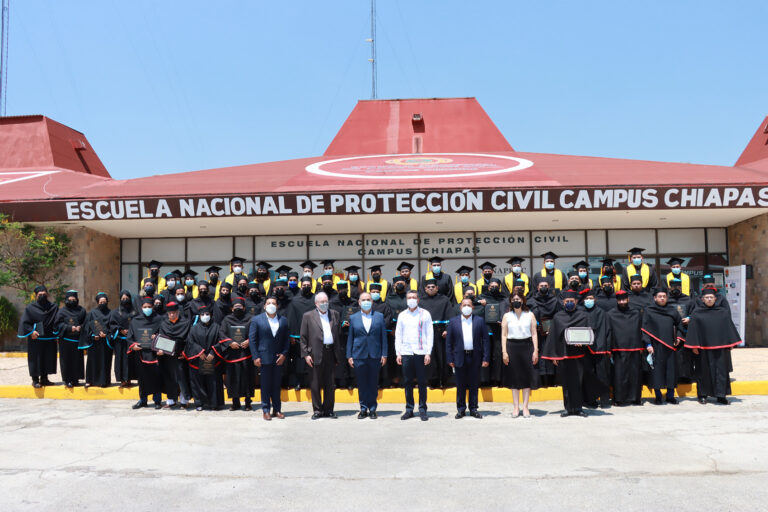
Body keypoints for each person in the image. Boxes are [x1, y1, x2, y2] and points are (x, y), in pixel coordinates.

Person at [542, 290, 606, 417]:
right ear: (563, 302)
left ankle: (578, 408)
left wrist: (583, 342)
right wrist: (554, 356)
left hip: (579, 354)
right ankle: (568, 408)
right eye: (567, 302)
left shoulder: (583, 315)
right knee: (565, 383)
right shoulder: (558, 317)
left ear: (576, 302)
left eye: (572, 301)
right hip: (564, 355)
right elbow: (554, 337)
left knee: (578, 382)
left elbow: (589, 332)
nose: (570, 303)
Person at [684, 287, 741, 405]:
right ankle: (703, 395)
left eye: (711, 297)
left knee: (721, 372)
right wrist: (694, 346)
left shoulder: (722, 312)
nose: (709, 299)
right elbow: (693, 330)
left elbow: (728, 328)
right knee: (703, 372)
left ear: (715, 299)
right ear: (702, 299)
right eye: (707, 298)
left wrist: (730, 343)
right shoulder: (696, 313)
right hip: (703, 349)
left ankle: (721, 396)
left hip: (720, 348)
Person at [300, 292, 343, 419]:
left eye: (326, 301)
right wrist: (306, 355)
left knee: (330, 383)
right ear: (316, 303)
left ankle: (329, 409)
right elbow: (303, 337)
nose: (324, 304)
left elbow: (338, 334)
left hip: (331, 352)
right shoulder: (308, 316)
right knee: (315, 383)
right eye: (321, 302)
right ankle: (318, 410)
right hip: (315, 353)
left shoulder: (335, 314)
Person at [446, 298, 490, 419]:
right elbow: (449, 342)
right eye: (464, 305)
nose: (466, 307)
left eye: (469, 305)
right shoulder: (453, 321)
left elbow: (485, 340)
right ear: (460, 307)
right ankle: (460, 409)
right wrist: (449, 359)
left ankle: (473, 409)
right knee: (460, 385)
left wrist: (486, 358)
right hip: (459, 357)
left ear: (473, 307)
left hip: (475, 356)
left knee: (474, 384)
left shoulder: (479, 321)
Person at [346, 292, 388, 419]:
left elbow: (383, 337)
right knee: (362, 384)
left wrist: (384, 354)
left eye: (368, 299)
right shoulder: (353, 318)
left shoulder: (379, 316)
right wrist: (349, 356)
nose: (366, 302)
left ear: (372, 302)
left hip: (375, 355)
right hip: (359, 355)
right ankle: (363, 408)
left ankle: (373, 409)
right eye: (363, 300)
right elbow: (350, 338)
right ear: (359, 302)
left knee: (373, 383)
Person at [249, 297, 290, 420]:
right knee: (266, 385)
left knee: (276, 385)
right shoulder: (256, 320)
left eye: (273, 303)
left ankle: (277, 410)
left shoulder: (283, 320)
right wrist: (255, 356)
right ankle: (266, 410)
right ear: (264, 306)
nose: (271, 305)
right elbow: (252, 340)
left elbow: (286, 339)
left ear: (277, 306)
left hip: (278, 358)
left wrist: (284, 354)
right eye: (268, 303)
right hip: (263, 357)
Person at [395, 290, 433, 421]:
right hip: (406, 353)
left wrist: (428, 352)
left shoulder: (425, 314)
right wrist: (398, 352)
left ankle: (422, 409)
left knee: (422, 382)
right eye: (409, 297)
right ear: (406, 300)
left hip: (421, 353)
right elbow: (398, 334)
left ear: (418, 300)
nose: (411, 299)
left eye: (414, 297)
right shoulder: (402, 315)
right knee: (407, 382)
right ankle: (409, 409)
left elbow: (430, 334)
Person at [501, 292, 539, 418]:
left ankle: (525, 407)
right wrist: (504, 352)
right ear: (510, 301)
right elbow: (504, 335)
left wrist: (535, 350)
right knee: (514, 378)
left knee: (526, 377)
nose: (516, 300)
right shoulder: (507, 316)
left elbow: (534, 333)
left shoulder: (530, 315)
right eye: (514, 299)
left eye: (518, 298)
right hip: (512, 347)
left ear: (523, 300)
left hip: (527, 347)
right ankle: (516, 407)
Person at [642, 288, 683, 405]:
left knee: (671, 372)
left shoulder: (672, 311)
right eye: (660, 296)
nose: (662, 298)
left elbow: (679, 325)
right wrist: (648, 344)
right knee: (656, 372)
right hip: (655, 346)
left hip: (670, 346)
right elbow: (644, 329)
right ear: (655, 298)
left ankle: (670, 396)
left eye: (664, 296)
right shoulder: (649, 311)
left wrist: (679, 338)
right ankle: (658, 396)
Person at [215, 297, 254, 411]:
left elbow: (255, 333)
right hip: (232, 355)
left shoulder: (250, 319)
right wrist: (230, 343)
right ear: (232, 309)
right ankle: (235, 402)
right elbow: (222, 333)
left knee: (247, 379)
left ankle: (248, 402)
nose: (238, 308)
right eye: (235, 307)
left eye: (240, 306)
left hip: (246, 353)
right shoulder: (227, 320)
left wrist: (249, 341)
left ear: (244, 308)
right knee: (233, 379)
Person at [606, 291, 645, 406]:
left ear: (628, 299)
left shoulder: (636, 313)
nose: (622, 302)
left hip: (635, 348)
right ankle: (619, 399)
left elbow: (641, 329)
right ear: (617, 300)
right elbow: (608, 332)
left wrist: (642, 345)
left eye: (624, 300)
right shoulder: (610, 314)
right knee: (619, 375)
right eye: (620, 300)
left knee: (635, 375)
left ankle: (635, 398)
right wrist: (609, 349)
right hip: (618, 349)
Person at [18, 285, 59, 388]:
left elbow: (58, 321)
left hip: (49, 338)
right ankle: (35, 380)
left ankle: (44, 379)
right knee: (36, 360)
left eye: (44, 294)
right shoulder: (30, 308)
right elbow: (25, 323)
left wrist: (58, 334)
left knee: (47, 359)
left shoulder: (53, 307)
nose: (42, 296)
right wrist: (31, 332)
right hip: (36, 339)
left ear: (47, 294)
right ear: (36, 296)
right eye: (40, 294)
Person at [128, 297, 164, 409]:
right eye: (145, 307)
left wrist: (158, 340)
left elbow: (165, 334)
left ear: (152, 307)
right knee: (142, 379)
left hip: (155, 354)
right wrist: (133, 345)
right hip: (141, 354)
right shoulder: (135, 321)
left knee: (156, 377)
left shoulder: (159, 319)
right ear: (141, 308)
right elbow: (130, 337)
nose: (147, 309)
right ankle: (143, 400)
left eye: (149, 307)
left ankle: (157, 400)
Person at [183, 305, 221, 411]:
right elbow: (190, 342)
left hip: (212, 359)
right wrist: (199, 351)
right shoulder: (194, 328)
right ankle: (199, 403)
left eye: (207, 314)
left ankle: (214, 404)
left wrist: (213, 352)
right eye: (203, 314)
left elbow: (220, 341)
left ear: (211, 315)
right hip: (198, 359)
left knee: (213, 382)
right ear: (199, 316)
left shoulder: (217, 327)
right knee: (197, 383)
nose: (205, 316)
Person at [418, 278, 455, 388]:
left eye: (433, 287)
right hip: (426, 332)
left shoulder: (444, 300)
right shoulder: (421, 301)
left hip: (441, 332)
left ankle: (444, 380)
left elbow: (450, 316)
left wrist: (447, 329)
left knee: (442, 356)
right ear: (425, 289)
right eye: (428, 287)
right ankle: (432, 381)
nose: (430, 289)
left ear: (437, 288)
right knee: (430, 357)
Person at [581, 289, 613, 409]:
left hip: (601, 348)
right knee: (589, 376)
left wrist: (608, 348)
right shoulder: (580, 312)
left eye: (591, 298)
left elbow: (608, 331)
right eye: (586, 299)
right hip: (585, 349)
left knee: (603, 375)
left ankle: (605, 400)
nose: (589, 301)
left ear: (595, 299)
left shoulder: (603, 313)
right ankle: (590, 401)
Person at [157, 301, 192, 409]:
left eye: (174, 313)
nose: (172, 315)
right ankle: (171, 400)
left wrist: (185, 352)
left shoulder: (185, 323)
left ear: (178, 312)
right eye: (170, 313)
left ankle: (184, 400)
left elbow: (189, 340)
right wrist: (160, 350)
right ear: (167, 314)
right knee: (169, 378)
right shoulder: (164, 324)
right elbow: (161, 339)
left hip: (180, 356)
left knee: (182, 378)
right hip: (167, 357)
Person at [527, 281, 558, 387]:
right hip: (537, 333)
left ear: (549, 287)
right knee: (538, 354)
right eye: (541, 286)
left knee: (550, 353)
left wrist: (553, 327)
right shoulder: (531, 301)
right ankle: (540, 380)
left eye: (545, 286)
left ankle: (550, 381)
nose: (544, 287)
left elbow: (558, 315)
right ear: (537, 287)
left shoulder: (555, 300)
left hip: (551, 332)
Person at [478, 278, 509, 387]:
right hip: (486, 330)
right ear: (488, 286)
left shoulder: (504, 298)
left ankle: (498, 379)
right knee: (486, 354)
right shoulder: (482, 298)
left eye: (496, 286)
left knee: (497, 355)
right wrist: (480, 304)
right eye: (491, 286)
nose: (493, 288)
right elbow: (475, 308)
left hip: (498, 331)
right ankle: (485, 380)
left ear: (500, 287)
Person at [81, 292, 113, 388]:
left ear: (107, 302)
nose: (103, 303)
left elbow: (112, 327)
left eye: (104, 302)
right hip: (94, 343)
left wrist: (106, 334)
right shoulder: (91, 313)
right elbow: (86, 327)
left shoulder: (111, 313)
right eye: (101, 302)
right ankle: (90, 381)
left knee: (105, 362)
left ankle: (104, 381)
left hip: (105, 343)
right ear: (97, 302)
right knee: (92, 362)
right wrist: (92, 335)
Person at [55, 290, 86, 388]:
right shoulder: (61, 311)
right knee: (66, 361)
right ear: (66, 300)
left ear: (77, 300)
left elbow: (86, 322)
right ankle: (67, 380)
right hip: (66, 341)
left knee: (77, 360)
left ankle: (76, 379)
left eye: (74, 300)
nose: (72, 301)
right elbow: (57, 324)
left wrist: (80, 327)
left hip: (77, 341)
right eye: (70, 300)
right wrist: (69, 328)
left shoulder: (82, 310)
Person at [109, 290, 137, 388]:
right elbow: (112, 324)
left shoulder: (135, 312)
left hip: (131, 341)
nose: (125, 300)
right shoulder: (115, 312)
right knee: (121, 360)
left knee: (130, 360)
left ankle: (129, 379)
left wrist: (131, 331)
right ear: (120, 299)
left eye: (127, 298)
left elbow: (138, 323)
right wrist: (120, 330)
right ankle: (122, 380)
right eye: (123, 298)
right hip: (120, 341)